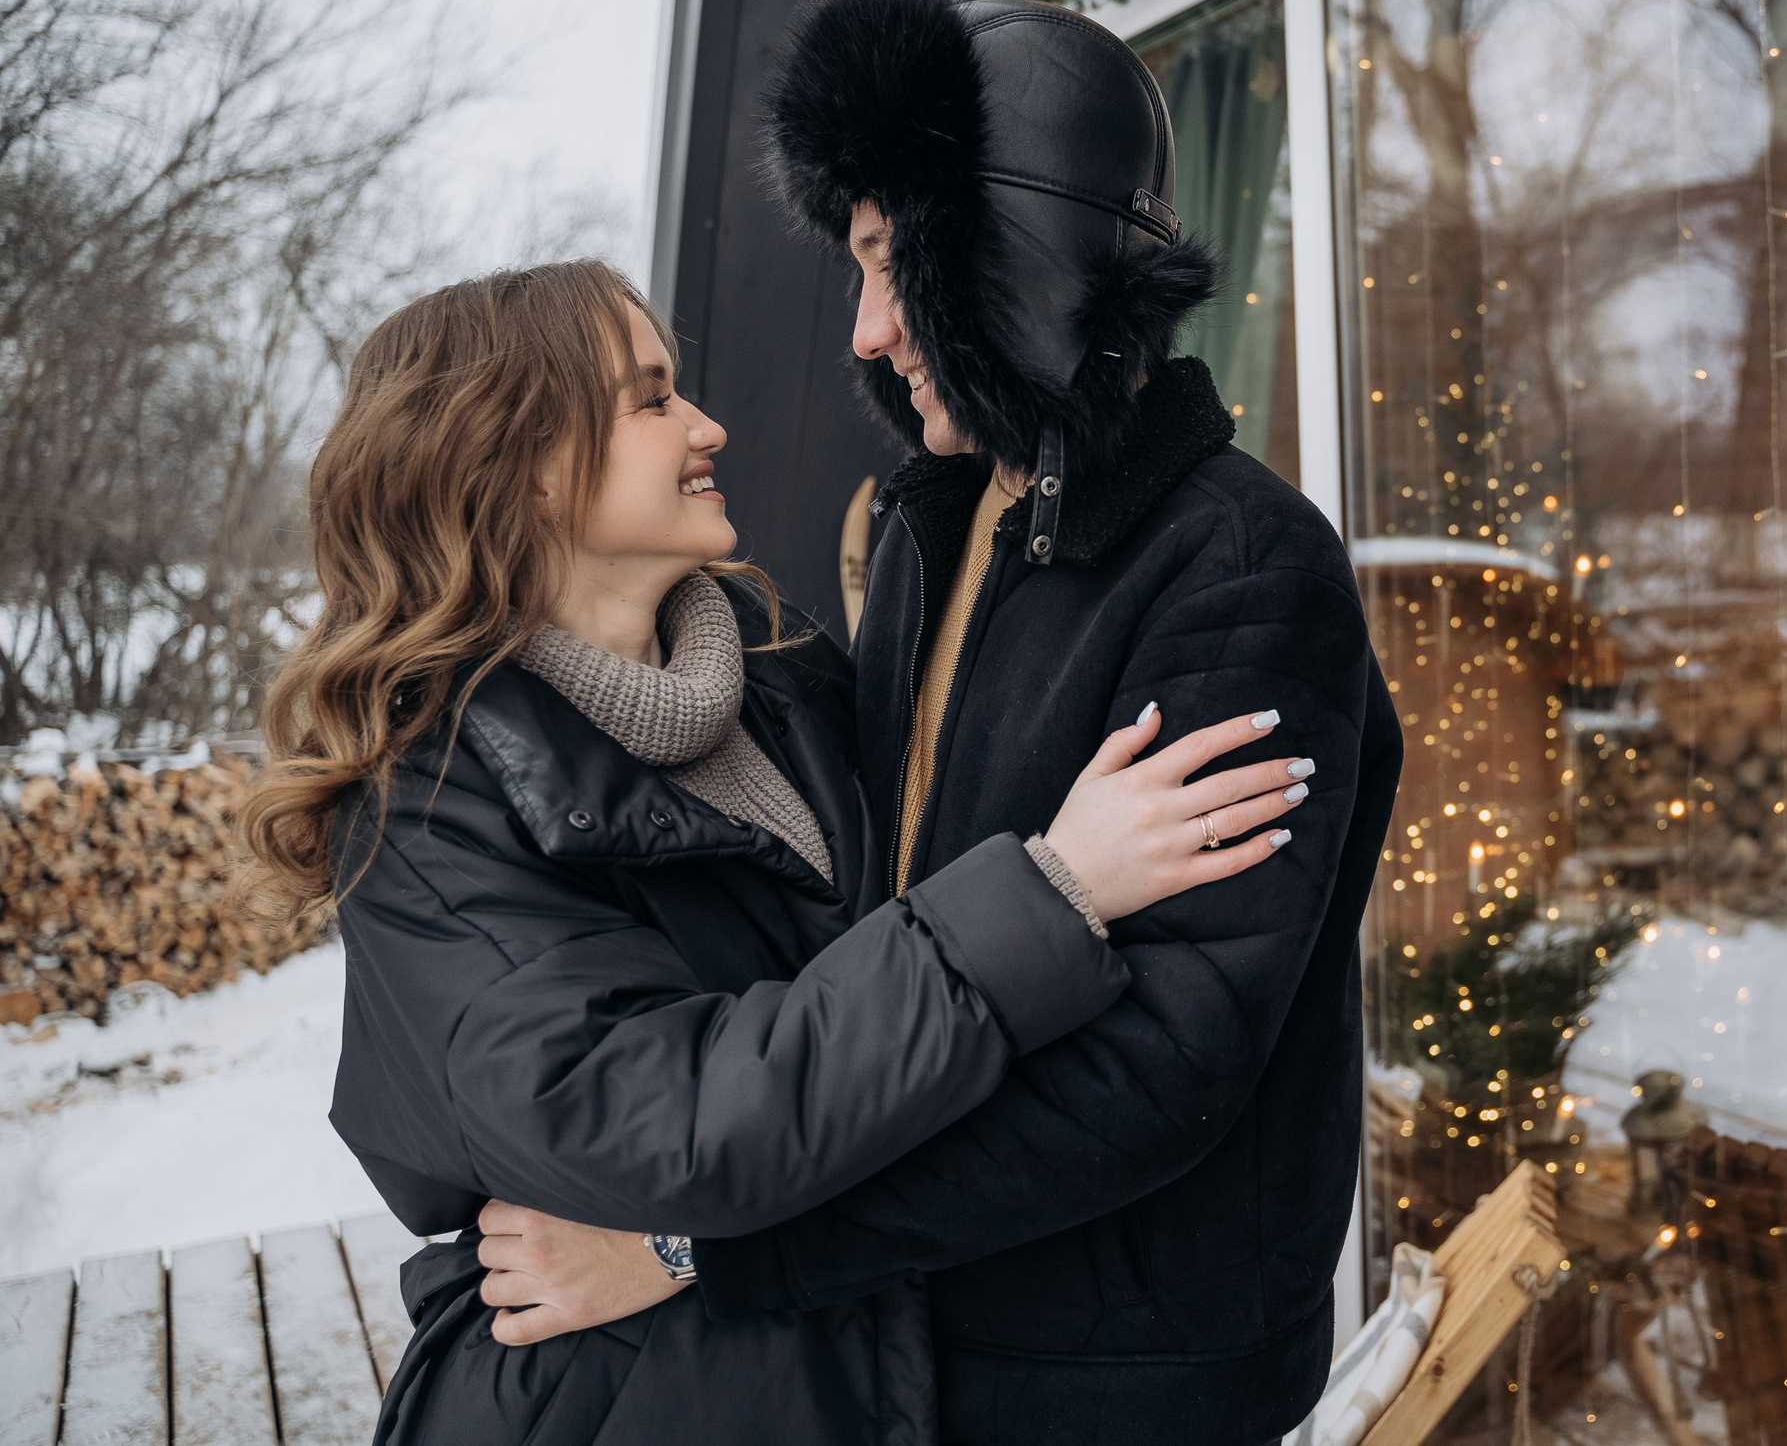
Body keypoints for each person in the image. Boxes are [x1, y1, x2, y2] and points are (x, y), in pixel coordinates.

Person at [480, 0, 1404, 1445]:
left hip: (1128, 1371)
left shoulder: (1238, 565)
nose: (864, 329)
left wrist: (708, 1243)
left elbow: (1159, 1065)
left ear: (1018, 253)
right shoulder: (936, 522)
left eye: (889, 264)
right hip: (930, 1323)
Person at [236, 261, 1313, 1442]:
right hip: (611, 1397)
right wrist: (1049, 893)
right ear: (522, 465)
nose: (708, 424)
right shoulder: (429, 803)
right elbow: (671, 1119)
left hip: (833, 1366)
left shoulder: (783, 677)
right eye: (649, 400)